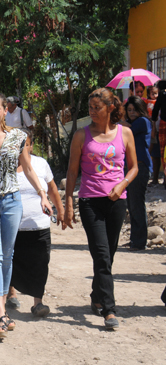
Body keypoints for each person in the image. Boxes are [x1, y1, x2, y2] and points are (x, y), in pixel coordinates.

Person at [0, 92, 52, 339]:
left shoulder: (19, 137)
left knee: (7, 256)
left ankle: (0, 308)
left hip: (12, 202)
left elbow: (27, 168)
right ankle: (1, 313)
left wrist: (42, 194)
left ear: (6, 110)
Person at [64, 88, 138, 331]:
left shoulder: (125, 133)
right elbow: (73, 171)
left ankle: (96, 296)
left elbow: (134, 168)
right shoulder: (81, 136)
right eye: (90, 108)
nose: (92, 112)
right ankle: (109, 309)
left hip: (117, 201)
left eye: (97, 108)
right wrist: (68, 203)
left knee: (108, 256)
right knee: (102, 255)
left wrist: (122, 185)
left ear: (110, 109)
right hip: (90, 202)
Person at [6, 128, 65, 317]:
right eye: (17, 144)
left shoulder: (40, 164)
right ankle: (11, 292)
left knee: (40, 262)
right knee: (11, 261)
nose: (22, 148)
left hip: (39, 224)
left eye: (26, 144)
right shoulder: (4, 165)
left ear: (31, 146)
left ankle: (38, 302)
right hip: (12, 225)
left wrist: (61, 209)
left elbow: (52, 188)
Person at [121, 96, 152, 251]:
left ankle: (140, 242)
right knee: (132, 205)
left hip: (140, 168)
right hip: (131, 168)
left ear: (140, 110)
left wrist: (121, 119)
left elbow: (127, 131)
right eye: (129, 110)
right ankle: (135, 239)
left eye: (134, 110)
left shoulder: (142, 122)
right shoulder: (132, 124)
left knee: (137, 204)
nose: (132, 112)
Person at [152, 80, 166, 188]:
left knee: (163, 151)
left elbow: (156, 109)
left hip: (164, 124)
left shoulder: (162, 94)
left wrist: (153, 122)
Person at [146, 86, 160, 185]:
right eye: (152, 93)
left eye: (156, 93)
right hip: (152, 131)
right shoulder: (147, 103)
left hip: (158, 130)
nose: (154, 95)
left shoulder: (160, 103)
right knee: (153, 155)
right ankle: (153, 177)